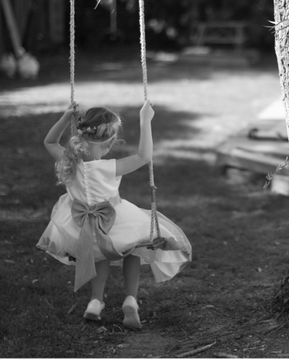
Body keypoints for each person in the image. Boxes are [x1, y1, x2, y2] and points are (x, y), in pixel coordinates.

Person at [37, 101, 191, 329]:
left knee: (99, 253)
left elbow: (49, 141)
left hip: (80, 225)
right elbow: (144, 156)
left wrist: (64, 118)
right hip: (115, 220)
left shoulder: (69, 162)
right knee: (133, 248)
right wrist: (145, 120)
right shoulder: (110, 167)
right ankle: (130, 300)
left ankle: (95, 302)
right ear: (109, 144)